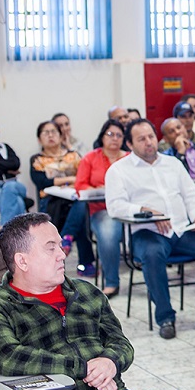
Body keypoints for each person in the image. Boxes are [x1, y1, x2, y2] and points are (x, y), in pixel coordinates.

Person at [0, 213, 195, 390]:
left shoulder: (86, 291)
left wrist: (110, 362)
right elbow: (9, 357)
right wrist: (84, 368)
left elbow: (120, 343)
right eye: (50, 247)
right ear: (22, 261)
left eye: (60, 244)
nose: (62, 254)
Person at [105, 119, 195, 340]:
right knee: (152, 254)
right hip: (147, 232)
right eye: (141, 139)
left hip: (182, 230)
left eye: (151, 137)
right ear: (130, 143)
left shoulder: (172, 164)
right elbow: (115, 207)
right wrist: (144, 210)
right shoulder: (119, 170)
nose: (148, 143)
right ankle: (165, 317)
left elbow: (190, 195)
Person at [30, 120, 95, 277]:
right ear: (39, 139)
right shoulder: (37, 160)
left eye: (54, 132)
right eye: (46, 132)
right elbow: (42, 182)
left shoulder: (73, 156)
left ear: (61, 136)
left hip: (73, 199)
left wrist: (60, 181)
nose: (51, 135)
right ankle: (82, 260)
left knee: (80, 204)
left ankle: (65, 240)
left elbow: (86, 176)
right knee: (79, 212)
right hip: (51, 202)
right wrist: (70, 180)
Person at [74, 120, 128, 297]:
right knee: (108, 231)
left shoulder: (130, 158)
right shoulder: (91, 158)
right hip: (101, 209)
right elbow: (80, 186)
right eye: (110, 134)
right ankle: (112, 282)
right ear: (102, 136)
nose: (115, 138)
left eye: (119, 135)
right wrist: (101, 190)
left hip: (129, 208)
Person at [0, 117, 28, 225]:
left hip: (13, 183)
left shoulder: (4, 147)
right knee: (18, 202)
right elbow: (9, 166)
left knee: (9, 187)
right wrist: (5, 169)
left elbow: (15, 163)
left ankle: (4, 231)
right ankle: (19, 236)